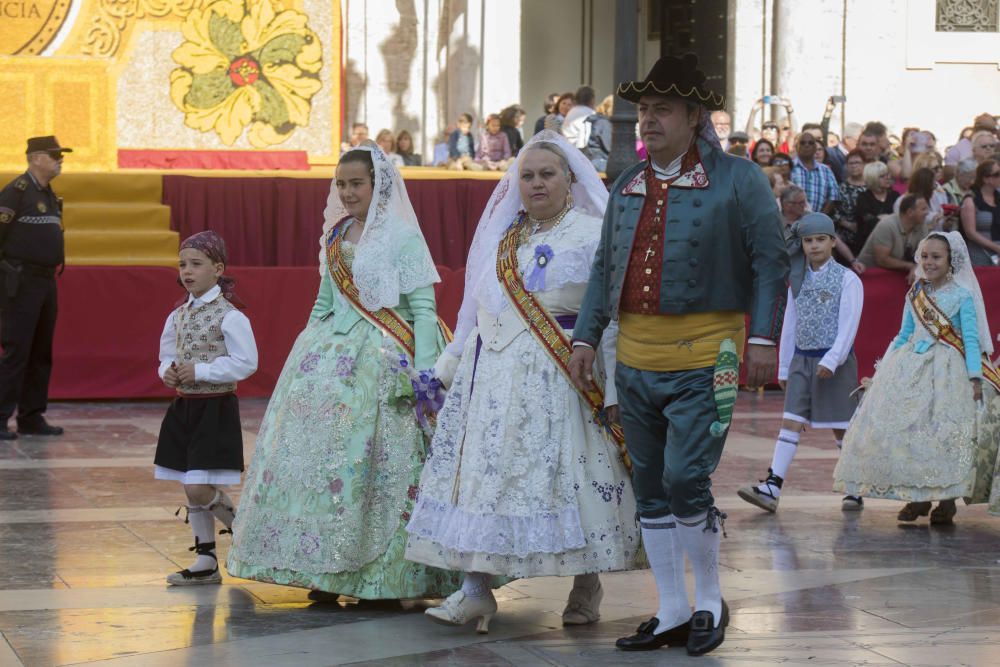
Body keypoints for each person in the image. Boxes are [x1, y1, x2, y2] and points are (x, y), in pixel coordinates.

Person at [569, 54, 789, 656]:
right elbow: (604, 269)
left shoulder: (740, 179)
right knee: (650, 484)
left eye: (662, 109)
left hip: (709, 355)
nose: (648, 121)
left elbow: (772, 262)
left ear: (695, 116)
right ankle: (670, 608)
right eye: (644, 110)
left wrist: (764, 338)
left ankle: (711, 600)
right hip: (635, 358)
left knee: (685, 477)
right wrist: (587, 336)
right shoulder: (627, 184)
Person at [405, 132, 638, 632]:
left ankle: (586, 582)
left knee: (570, 481)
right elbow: (474, 315)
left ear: (570, 180)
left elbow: (614, 317)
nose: (535, 183)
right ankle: (475, 590)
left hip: (562, 374)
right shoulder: (501, 237)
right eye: (526, 175)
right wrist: (442, 372)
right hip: (490, 379)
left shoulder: (591, 233)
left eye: (546, 174)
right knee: (485, 480)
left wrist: (615, 387)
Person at [226, 145, 461, 599]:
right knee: (321, 464)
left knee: (375, 467)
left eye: (357, 183)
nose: (348, 191)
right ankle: (324, 570)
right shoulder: (335, 238)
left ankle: (384, 575)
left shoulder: (402, 237)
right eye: (341, 184)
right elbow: (324, 301)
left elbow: (424, 310)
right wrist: (307, 347)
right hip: (327, 359)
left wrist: (426, 374)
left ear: (378, 186)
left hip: (385, 358)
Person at [834, 232, 1000, 525]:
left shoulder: (962, 296)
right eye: (925, 256)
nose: (929, 262)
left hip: (949, 371)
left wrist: (975, 376)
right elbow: (904, 333)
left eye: (936, 257)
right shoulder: (915, 293)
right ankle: (918, 497)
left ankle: (946, 500)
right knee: (911, 434)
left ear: (951, 260)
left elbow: (971, 340)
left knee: (944, 435)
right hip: (911, 368)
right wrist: (885, 368)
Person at [738, 214, 863, 514]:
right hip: (802, 360)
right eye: (808, 241)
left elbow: (849, 325)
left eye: (821, 239)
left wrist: (833, 359)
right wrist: (784, 366)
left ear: (833, 242)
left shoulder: (848, 279)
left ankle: (854, 488)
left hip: (835, 364)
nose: (814, 245)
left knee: (841, 429)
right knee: (790, 422)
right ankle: (772, 485)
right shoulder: (798, 278)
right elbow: (790, 324)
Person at [156, 231, 258, 585]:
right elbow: (166, 353)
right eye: (183, 264)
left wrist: (201, 371)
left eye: (196, 264)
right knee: (190, 485)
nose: (187, 271)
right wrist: (166, 372)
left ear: (218, 269)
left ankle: (246, 529)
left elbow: (246, 362)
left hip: (215, 409)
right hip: (185, 408)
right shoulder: (178, 314)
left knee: (199, 486)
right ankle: (206, 558)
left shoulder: (230, 316)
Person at [0, 136, 71, 440]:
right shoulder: (16, 192)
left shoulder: (49, 194)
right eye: (55, 156)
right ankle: (1, 417)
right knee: (17, 350)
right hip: (20, 280)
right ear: (36, 158)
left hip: (45, 281)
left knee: (41, 351)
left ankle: (31, 416)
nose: (60, 160)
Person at [856, 194, 930, 283]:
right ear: (910, 212)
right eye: (923, 209)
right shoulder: (887, 225)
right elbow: (882, 260)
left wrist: (918, 266)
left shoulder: (921, 224)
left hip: (894, 275)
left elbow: (927, 252)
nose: (927, 212)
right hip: (869, 276)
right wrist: (911, 266)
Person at [851, 161, 899, 255]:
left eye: (888, 174)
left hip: (892, 243)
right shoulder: (863, 198)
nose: (888, 178)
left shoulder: (895, 196)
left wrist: (882, 217)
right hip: (868, 245)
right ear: (872, 179)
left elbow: (900, 218)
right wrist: (889, 218)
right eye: (882, 176)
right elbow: (869, 223)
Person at [959, 159, 1000, 266]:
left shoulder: (998, 197)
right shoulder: (971, 200)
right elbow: (970, 233)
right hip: (979, 255)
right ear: (986, 179)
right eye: (997, 174)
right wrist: (996, 247)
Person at [790, 133, 839, 215]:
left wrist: (819, 218)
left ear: (815, 148)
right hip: (792, 223)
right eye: (802, 143)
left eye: (810, 143)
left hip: (818, 222)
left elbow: (833, 196)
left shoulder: (826, 170)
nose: (806, 145)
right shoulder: (789, 168)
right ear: (797, 147)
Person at [834, 150, 867, 250]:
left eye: (857, 162)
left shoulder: (871, 186)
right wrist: (849, 225)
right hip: (845, 237)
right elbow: (834, 212)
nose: (854, 166)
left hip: (867, 237)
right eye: (850, 163)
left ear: (864, 164)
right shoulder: (840, 188)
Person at [583, 95, 613, 172]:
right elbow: (609, 147)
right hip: (600, 161)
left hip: (595, 160)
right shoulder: (603, 123)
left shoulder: (599, 120)